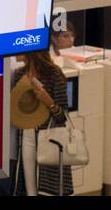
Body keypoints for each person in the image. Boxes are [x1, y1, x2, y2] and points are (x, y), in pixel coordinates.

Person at [11, 44, 74, 196]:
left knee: (49, 187)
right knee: (29, 186)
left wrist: (49, 102)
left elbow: (62, 116)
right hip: (25, 135)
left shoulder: (54, 74)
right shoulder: (20, 74)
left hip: (49, 137)